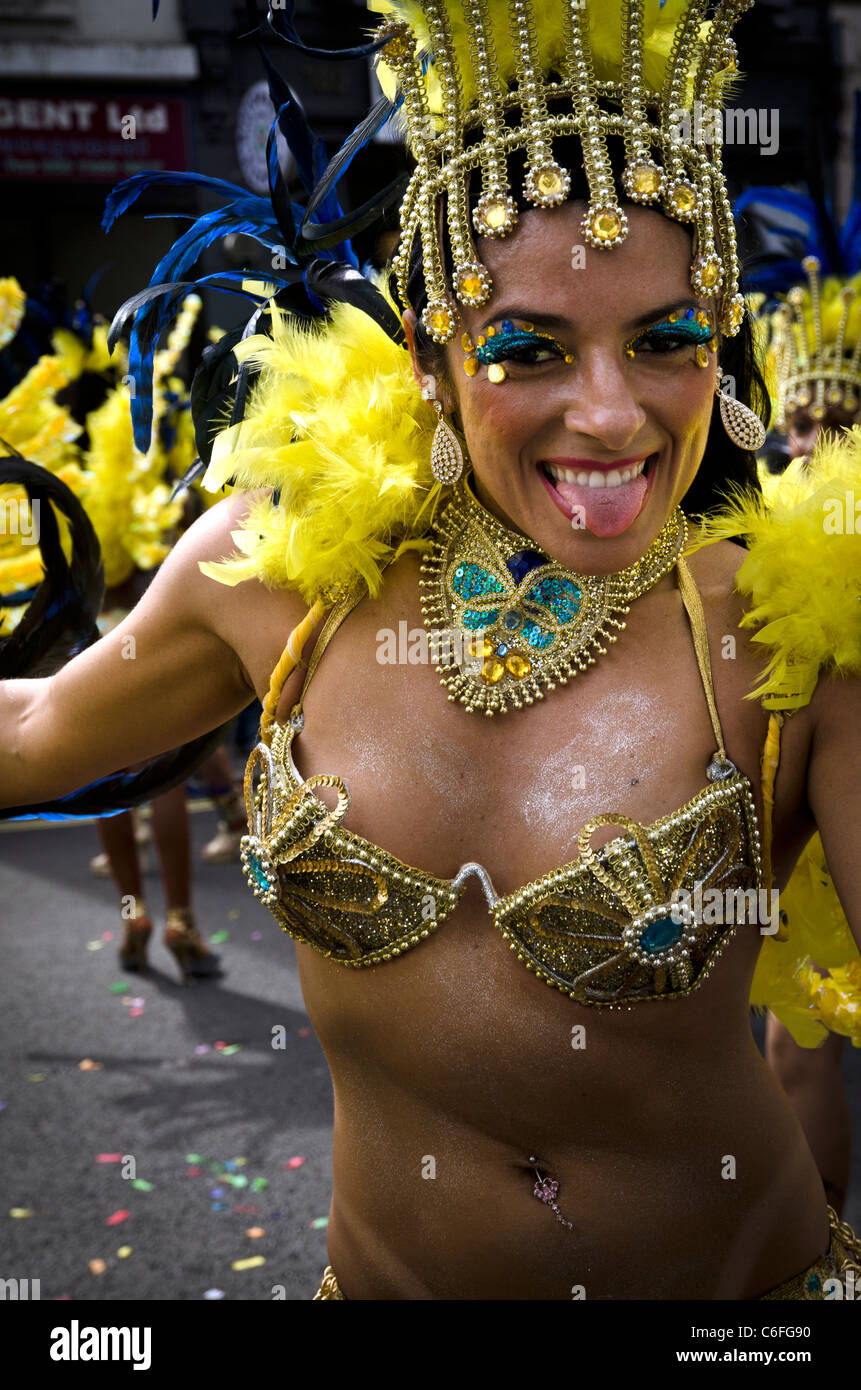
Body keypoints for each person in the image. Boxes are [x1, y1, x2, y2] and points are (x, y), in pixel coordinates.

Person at [2, 0, 861, 1300]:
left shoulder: (787, 638)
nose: (611, 414)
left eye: (666, 341)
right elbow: (33, 734)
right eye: (528, 348)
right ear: (427, 357)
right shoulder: (287, 571)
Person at [747, 252, 861, 1215]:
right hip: (799, 817)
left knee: (797, 1045)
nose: (816, 445)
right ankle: (825, 1265)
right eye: (800, 426)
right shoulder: (770, 517)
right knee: (794, 1041)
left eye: (840, 425)